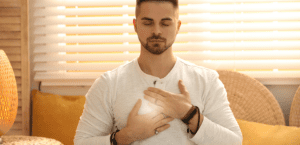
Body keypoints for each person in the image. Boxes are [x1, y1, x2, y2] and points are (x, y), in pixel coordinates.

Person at [74, 0, 243, 144]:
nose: (157, 31)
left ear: (178, 26)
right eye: (148, 22)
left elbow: (234, 141)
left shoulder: (207, 81)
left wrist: (189, 114)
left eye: (165, 23)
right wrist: (127, 136)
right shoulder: (108, 84)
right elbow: (81, 142)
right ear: (135, 25)